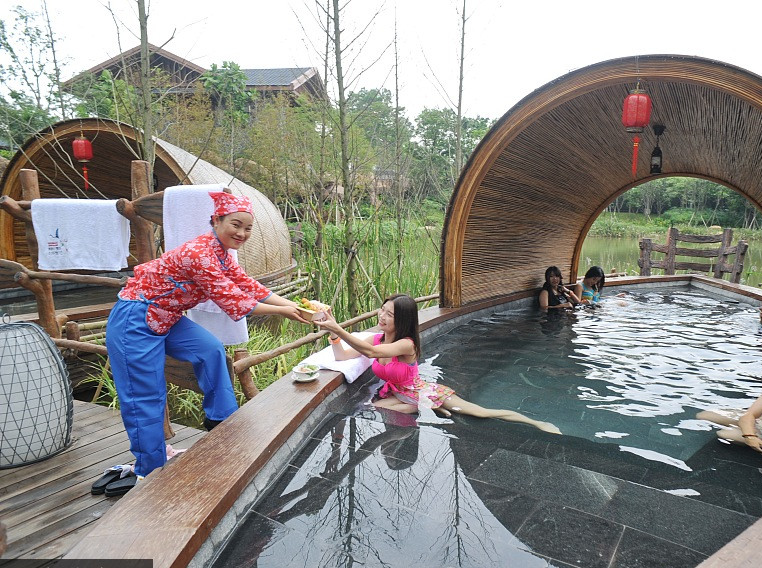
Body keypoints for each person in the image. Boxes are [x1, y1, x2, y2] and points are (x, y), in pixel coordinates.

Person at [102, 191, 308, 494]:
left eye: (248, 228)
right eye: (235, 225)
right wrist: (287, 312)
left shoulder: (222, 253)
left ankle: (221, 423)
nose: (241, 233)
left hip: (168, 317)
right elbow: (235, 301)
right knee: (146, 397)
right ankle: (149, 469)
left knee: (210, 350)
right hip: (135, 319)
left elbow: (248, 286)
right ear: (216, 220)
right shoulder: (200, 253)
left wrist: (294, 306)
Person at [314, 294, 562, 434]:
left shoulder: (407, 345)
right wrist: (334, 334)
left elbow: (368, 351)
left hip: (420, 391)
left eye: (389, 314)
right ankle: (426, 409)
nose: (381, 316)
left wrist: (337, 326)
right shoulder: (376, 338)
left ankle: (535, 422)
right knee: (371, 408)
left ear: (403, 320)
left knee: (478, 412)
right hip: (399, 394)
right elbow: (343, 356)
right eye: (382, 310)